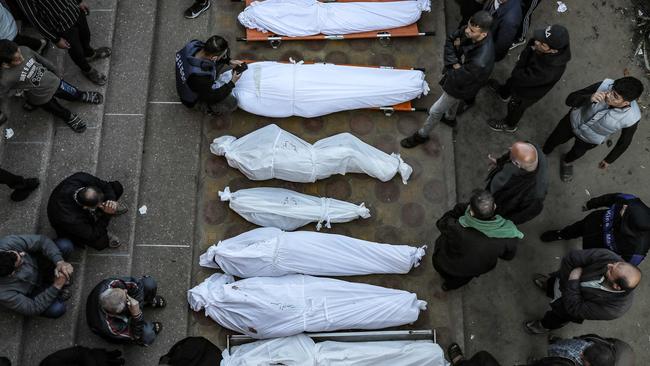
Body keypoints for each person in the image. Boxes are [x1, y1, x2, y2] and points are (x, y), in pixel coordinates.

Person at [400, 10, 494, 148]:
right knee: (452, 104)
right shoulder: (474, 30)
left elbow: (458, 78)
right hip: (463, 79)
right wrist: (454, 63)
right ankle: (450, 118)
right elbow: (451, 39)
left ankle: (421, 135)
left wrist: (454, 64)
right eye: (468, 26)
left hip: (461, 86)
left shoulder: (480, 60)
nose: (467, 31)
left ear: (483, 34)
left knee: (435, 111)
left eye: (472, 31)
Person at [542, 76, 644, 182]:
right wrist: (588, 98)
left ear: (626, 103)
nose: (608, 94)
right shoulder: (604, 85)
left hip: (590, 139)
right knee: (555, 138)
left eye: (615, 96)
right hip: (572, 121)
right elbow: (569, 100)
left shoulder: (632, 118)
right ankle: (544, 152)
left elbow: (624, 141)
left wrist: (609, 160)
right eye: (611, 89)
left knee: (577, 153)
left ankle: (567, 161)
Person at [525, 248, 641, 334]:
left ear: (616, 286)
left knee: (556, 317)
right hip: (563, 282)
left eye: (611, 271)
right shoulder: (610, 258)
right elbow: (571, 258)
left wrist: (573, 278)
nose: (610, 264)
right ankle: (548, 286)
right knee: (553, 284)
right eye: (616, 264)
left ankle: (543, 326)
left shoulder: (614, 309)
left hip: (566, 307)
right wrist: (566, 282)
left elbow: (574, 308)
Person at [0, 40, 104, 133]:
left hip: (53, 81)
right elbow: (4, 94)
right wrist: (18, 91)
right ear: (5, 64)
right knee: (57, 110)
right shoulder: (6, 78)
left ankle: (80, 96)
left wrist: (55, 72)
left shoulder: (24, 50)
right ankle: (69, 117)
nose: (22, 57)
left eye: (19, 52)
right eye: (17, 59)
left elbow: (42, 61)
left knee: (73, 92)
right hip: (40, 98)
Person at [487, 24, 571, 132]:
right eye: (540, 38)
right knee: (511, 83)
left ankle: (509, 124)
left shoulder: (549, 70)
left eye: (543, 44)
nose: (537, 42)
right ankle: (504, 93)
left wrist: (524, 57)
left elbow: (520, 76)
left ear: (553, 51)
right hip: (522, 75)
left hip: (527, 92)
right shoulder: (541, 43)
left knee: (515, 107)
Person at [432, 189, 522, 291]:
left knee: (443, 270)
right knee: (459, 280)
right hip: (470, 270)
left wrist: (462, 209)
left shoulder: (455, 226)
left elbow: (441, 223)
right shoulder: (508, 235)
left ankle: (446, 284)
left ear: (471, 211)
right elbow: (508, 256)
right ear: (495, 207)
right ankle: (447, 287)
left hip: (444, 260)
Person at [15, 0, 111, 85]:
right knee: (76, 51)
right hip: (62, 26)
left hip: (74, 11)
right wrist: (55, 39)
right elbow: (35, 20)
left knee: (86, 35)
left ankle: (90, 54)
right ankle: (87, 70)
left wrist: (79, 1)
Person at [542, 193, 650, 265]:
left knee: (580, 261)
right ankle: (562, 234)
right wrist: (591, 204)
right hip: (592, 222)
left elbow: (621, 267)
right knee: (574, 229)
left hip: (596, 250)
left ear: (629, 224)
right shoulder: (631, 201)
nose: (624, 206)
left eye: (627, 211)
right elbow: (610, 198)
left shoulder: (637, 252)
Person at [47, 172, 127, 251]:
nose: (102, 205)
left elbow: (105, 186)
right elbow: (92, 234)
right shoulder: (70, 219)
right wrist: (107, 214)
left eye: (102, 202)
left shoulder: (80, 177)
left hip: (83, 209)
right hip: (72, 226)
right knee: (100, 242)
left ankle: (100, 212)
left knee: (116, 187)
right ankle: (103, 230)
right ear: (85, 207)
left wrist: (111, 201)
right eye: (98, 205)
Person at [0, 234, 74, 318]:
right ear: (12, 273)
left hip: (39, 264)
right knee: (57, 309)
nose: (23, 253)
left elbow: (42, 241)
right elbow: (32, 307)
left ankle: (55, 280)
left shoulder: (6, 243)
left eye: (17, 252)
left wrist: (59, 261)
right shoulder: (2, 292)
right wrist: (56, 286)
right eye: (21, 260)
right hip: (32, 290)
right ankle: (56, 289)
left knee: (65, 245)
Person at [175, 35, 244, 116]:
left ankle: (221, 58)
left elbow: (217, 55)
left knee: (226, 50)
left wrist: (229, 61)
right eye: (222, 55)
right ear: (214, 58)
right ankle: (208, 109)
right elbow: (212, 97)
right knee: (232, 103)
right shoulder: (199, 77)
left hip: (194, 78)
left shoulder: (194, 44)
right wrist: (232, 82)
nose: (224, 56)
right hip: (192, 99)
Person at [86, 276, 165, 346]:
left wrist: (138, 306)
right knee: (147, 335)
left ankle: (148, 301)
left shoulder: (110, 284)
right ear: (118, 312)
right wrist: (136, 314)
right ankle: (149, 328)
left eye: (123, 291)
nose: (126, 291)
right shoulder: (111, 327)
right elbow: (135, 335)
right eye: (127, 298)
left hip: (116, 308)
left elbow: (136, 285)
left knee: (149, 283)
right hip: (115, 329)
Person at [485, 141, 548, 224]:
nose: (509, 149)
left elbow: (520, 216)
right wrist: (499, 162)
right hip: (499, 187)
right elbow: (513, 153)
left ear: (516, 164)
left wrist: (499, 222)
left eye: (511, 156)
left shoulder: (535, 195)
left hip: (500, 202)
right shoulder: (531, 148)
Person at [527, 334, 634, 366]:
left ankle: (535, 363)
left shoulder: (595, 342)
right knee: (567, 343)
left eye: (584, 358)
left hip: (558, 355)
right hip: (564, 347)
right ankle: (558, 341)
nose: (581, 353)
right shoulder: (594, 341)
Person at [40, 346, 125, 366]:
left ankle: (110, 357)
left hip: (83, 357)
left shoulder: (50, 363)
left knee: (95, 358)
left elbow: (78, 352)